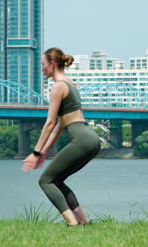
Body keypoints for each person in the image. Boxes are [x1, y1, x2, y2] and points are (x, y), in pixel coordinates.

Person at [22, 47, 101, 226]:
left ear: (52, 64)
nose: (41, 69)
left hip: (81, 140)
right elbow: (60, 125)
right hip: (91, 140)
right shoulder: (70, 85)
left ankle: (71, 223)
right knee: (56, 180)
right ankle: (83, 222)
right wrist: (43, 151)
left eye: (43, 65)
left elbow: (49, 123)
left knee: (45, 181)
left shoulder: (58, 86)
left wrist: (34, 153)